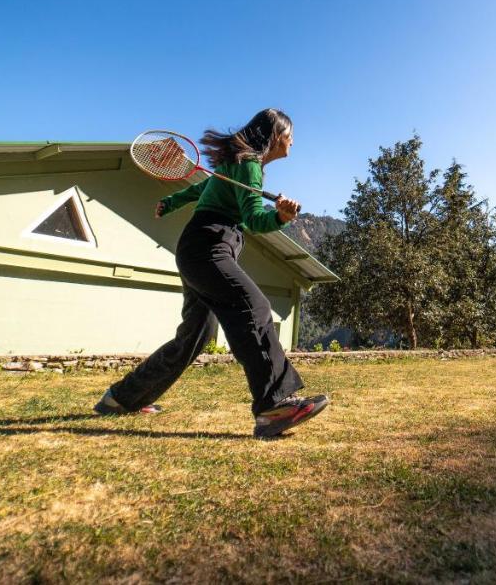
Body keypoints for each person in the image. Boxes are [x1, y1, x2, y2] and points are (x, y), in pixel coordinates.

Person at [94, 109, 329, 438]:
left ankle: (120, 398)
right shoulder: (247, 165)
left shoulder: (238, 166)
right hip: (209, 247)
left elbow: (202, 190)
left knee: (196, 334)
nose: (293, 141)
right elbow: (253, 219)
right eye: (290, 134)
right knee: (254, 307)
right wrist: (280, 218)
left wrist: (172, 201)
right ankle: (275, 405)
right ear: (276, 135)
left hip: (196, 249)